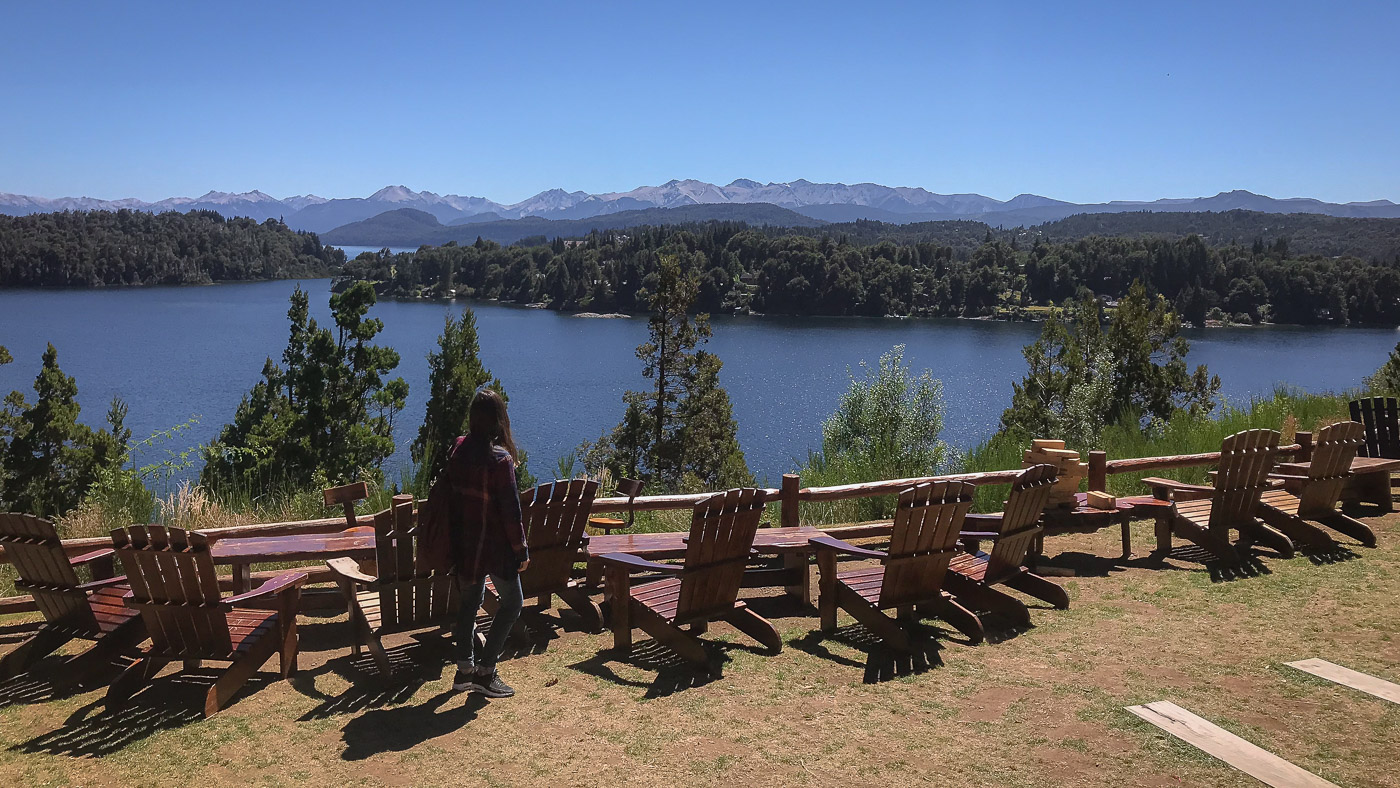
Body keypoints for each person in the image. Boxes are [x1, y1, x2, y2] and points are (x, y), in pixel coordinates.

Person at [443, 387, 529, 698]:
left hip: (465, 544)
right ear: (498, 420)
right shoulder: (499, 460)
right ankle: (486, 671)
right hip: (494, 548)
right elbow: (510, 511)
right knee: (513, 603)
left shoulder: (458, 449)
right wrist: (521, 551)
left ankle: (464, 670)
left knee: (469, 604)